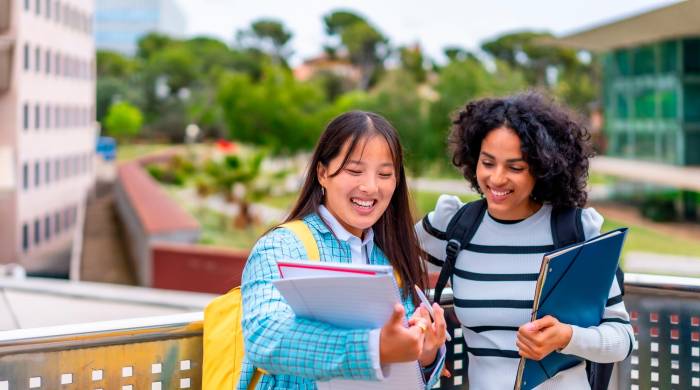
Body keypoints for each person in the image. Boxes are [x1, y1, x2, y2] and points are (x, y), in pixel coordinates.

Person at [416, 92, 635, 389]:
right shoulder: (453, 225)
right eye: (488, 163)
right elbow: (389, 274)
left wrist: (568, 337)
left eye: (515, 167)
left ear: (542, 168)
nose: (496, 179)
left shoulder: (576, 232)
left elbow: (622, 338)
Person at [240, 111, 447, 389]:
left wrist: (424, 355)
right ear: (323, 173)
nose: (370, 187)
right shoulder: (282, 247)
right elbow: (264, 336)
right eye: (354, 170)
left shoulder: (390, 258)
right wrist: (374, 349)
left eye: (385, 174)